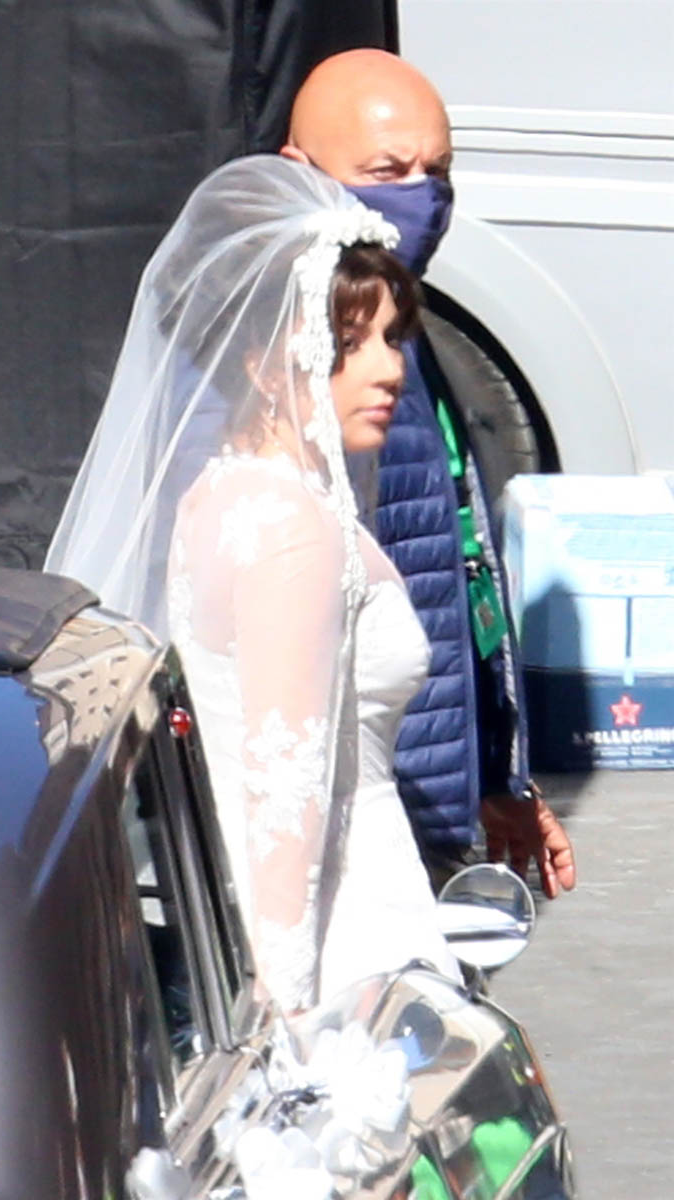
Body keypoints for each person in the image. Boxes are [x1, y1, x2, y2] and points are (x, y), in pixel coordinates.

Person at [45, 155, 461, 1014]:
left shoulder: (226, 495)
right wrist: (290, 1010)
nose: (387, 369)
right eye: (350, 345)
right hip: (344, 936)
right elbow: (284, 785)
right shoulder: (292, 531)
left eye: (393, 339)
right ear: (272, 366)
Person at [280, 50, 576, 899]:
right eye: (387, 172)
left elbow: (455, 571)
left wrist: (498, 774)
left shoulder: (410, 338)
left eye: (437, 171)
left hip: (429, 809)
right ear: (300, 171)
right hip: (355, 834)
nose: (422, 196)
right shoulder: (295, 368)